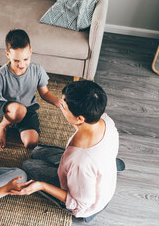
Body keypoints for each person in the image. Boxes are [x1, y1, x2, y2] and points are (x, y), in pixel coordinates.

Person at [11, 81, 123, 223]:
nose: (60, 105)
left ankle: (95, 176)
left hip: (85, 201)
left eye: (63, 105)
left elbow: (80, 204)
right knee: (37, 151)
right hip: (89, 164)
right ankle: (101, 170)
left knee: (28, 165)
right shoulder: (105, 120)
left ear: (80, 118)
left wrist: (42, 186)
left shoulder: (81, 162)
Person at [0, 29, 61, 149]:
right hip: (7, 106)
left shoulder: (38, 70)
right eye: (16, 61)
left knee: (31, 143)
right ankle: (3, 126)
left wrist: (59, 103)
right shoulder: (0, 75)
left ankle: (17, 123)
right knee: (19, 111)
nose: (22, 65)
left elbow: (45, 93)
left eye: (25, 59)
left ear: (30, 51)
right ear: (8, 55)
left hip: (28, 108)